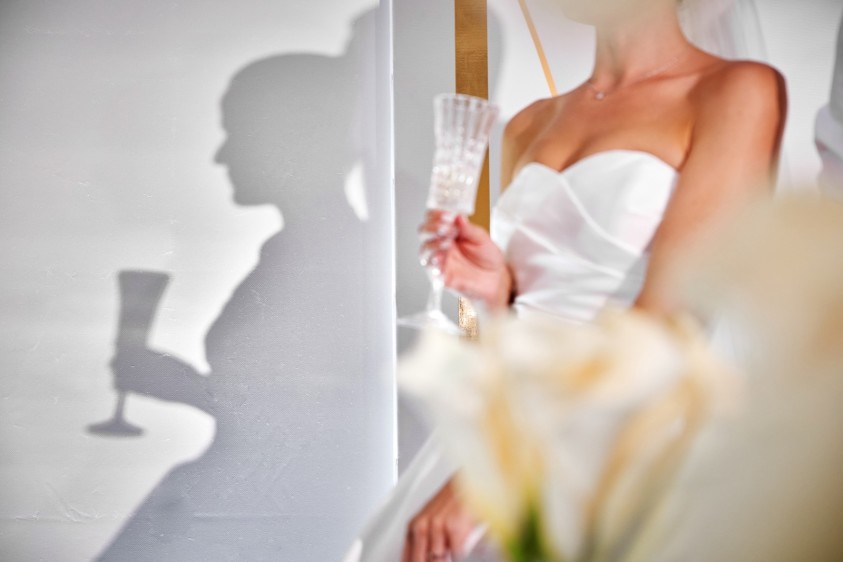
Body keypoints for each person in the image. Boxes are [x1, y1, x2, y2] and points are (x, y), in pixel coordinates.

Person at [347, 0, 786, 560]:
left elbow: (674, 319)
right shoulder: (529, 123)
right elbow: (498, 335)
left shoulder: (734, 91)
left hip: (625, 433)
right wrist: (490, 290)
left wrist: (493, 479)